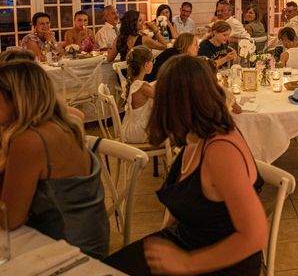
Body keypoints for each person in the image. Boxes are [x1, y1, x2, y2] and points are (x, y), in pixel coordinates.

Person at [104, 55, 268, 275]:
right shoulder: (195, 136)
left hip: (221, 262)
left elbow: (255, 235)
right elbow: (185, 201)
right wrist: (163, 238)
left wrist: (186, 263)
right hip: (187, 241)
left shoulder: (221, 150)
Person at [0, 61, 109, 258]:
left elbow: (9, 219)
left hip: (71, 252)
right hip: (93, 239)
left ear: (17, 97)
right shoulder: (64, 124)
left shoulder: (30, 141)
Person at [121, 46, 155, 144]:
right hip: (139, 132)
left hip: (130, 128)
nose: (152, 64)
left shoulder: (134, 82)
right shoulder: (142, 87)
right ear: (146, 65)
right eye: (152, 61)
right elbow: (164, 98)